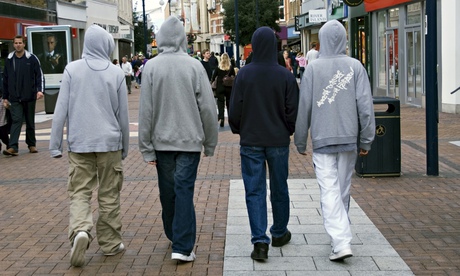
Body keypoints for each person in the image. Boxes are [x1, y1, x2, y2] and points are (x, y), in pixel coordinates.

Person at [294, 20, 375, 262]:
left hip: (322, 139)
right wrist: (367, 139)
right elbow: (365, 107)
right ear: (344, 40)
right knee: (341, 190)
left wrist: (300, 141)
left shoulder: (313, 69)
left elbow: (304, 108)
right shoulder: (355, 66)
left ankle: (340, 242)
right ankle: (340, 238)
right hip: (349, 139)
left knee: (329, 191)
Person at [138, 16, 218, 263]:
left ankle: (176, 236)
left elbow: (146, 111)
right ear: (183, 38)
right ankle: (182, 245)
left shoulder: (151, 67)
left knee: (169, 192)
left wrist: (146, 147)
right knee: (184, 190)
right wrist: (210, 142)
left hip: (162, 141)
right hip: (189, 140)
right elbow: (207, 107)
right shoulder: (194, 66)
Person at [49, 24, 130, 267]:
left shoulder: (72, 70)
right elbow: (122, 116)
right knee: (109, 194)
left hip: (80, 143)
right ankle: (110, 243)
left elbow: (60, 110)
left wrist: (55, 146)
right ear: (106, 45)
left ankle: (81, 230)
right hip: (109, 143)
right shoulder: (116, 73)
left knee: (79, 192)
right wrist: (124, 146)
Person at [228, 26, 299, 261]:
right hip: (278, 140)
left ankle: (259, 241)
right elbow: (292, 111)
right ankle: (279, 232)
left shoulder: (244, 74)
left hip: (251, 140)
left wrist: (239, 128)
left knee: (254, 190)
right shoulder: (285, 75)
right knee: (280, 187)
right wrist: (287, 129)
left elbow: (235, 109)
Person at [2, 35, 44, 156]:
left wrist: (40, 90)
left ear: (24, 44)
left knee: (30, 121)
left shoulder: (31, 58)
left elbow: (39, 75)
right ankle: (13, 147)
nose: (18, 45)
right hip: (14, 97)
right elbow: (5, 79)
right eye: (16, 43)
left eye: (20, 43)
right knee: (17, 120)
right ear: (13, 44)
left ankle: (31, 145)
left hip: (29, 95)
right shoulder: (10, 59)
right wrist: (5, 97)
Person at [211, 52, 235, 127]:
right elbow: (234, 76)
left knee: (220, 103)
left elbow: (213, 77)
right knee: (229, 103)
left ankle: (221, 118)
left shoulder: (218, 68)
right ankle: (230, 119)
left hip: (220, 87)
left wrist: (213, 83)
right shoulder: (231, 67)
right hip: (228, 88)